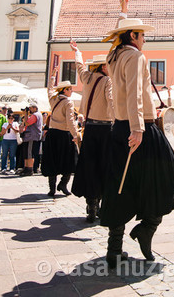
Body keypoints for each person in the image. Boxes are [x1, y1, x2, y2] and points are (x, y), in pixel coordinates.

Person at [99, 0, 174, 268]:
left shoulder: (114, 55)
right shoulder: (134, 55)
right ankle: (146, 229)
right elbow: (134, 92)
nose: (145, 39)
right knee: (168, 177)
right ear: (133, 36)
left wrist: (124, 9)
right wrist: (137, 129)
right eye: (142, 35)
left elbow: (120, 36)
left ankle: (114, 250)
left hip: (119, 128)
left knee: (122, 186)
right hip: (140, 128)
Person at [70, 43, 113, 222]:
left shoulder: (86, 77)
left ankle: (91, 204)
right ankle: (100, 205)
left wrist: (77, 52)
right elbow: (111, 100)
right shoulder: (107, 81)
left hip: (90, 128)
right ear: (103, 67)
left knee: (90, 166)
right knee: (105, 166)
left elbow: (79, 66)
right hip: (105, 129)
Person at [43, 67, 80, 197]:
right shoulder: (68, 102)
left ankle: (52, 188)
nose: (71, 91)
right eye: (70, 89)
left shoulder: (53, 99)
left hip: (53, 134)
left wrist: (53, 75)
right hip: (64, 134)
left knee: (52, 160)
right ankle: (63, 184)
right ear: (65, 90)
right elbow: (70, 120)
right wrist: (75, 135)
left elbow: (50, 89)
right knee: (70, 161)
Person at [19, 104, 42, 176]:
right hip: (29, 136)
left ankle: (29, 169)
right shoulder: (36, 115)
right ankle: (26, 167)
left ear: (35, 108)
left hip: (32, 137)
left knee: (29, 153)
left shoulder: (36, 115)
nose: (29, 110)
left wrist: (26, 114)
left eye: (30, 108)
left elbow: (27, 123)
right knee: (26, 153)